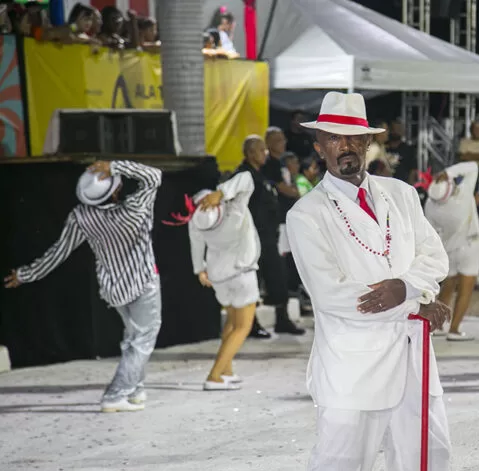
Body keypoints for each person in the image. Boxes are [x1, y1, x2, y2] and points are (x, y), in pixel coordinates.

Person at [286, 92, 452, 471]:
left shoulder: (402, 194)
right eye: (334, 138)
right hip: (353, 365)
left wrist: (406, 287)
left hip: (413, 356)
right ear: (319, 146)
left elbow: (434, 257)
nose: (345, 146)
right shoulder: (306, 214)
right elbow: (331, 293)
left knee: (428, 458)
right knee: (339, 470)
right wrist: (414, 304)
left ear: (368, 143)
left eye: (354, 138)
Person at [4, 161, 162, 412]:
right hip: (143, 283)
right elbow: (154, 175)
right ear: (115, 192)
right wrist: (115, 166)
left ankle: (135, 389)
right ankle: (116, 394)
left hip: (113, 289)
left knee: (133, 337)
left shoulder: (82, 216)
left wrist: (25, 274)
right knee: (142, 339)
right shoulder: (136, 208)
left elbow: (58, 253)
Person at [165, 172, 261, 390]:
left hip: (218, 276)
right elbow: (246, 178)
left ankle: (227, 371)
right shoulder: (235, 209)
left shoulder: (197, 221)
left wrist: (199, 269)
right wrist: (222, 192)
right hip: (242, 273)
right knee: (242, 327)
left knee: (231, 322)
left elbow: (196, 245)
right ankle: (214, 376)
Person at [233, 135, 304, 336]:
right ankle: (250, 324)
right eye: (260, 149)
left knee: (278, 278)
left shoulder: (261, 175)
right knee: (252, 282)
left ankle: (282, 319)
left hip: (269, 237)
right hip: (252, 238)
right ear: (250, 153)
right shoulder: (243, 177)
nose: (265, 153)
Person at [425, 162, 479, 341]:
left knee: (448, 285)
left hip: (448, 248)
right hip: (470, 245)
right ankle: (454, 330)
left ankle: (437, 325)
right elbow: (473, 166)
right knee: (466, 288)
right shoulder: (462, 194)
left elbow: (431, 233)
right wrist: (448, 172)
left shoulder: (430, 204)